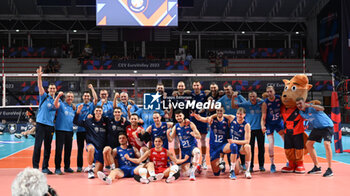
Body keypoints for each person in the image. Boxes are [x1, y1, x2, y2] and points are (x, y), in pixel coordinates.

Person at [296, 97, 334, 177]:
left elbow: (322, 108)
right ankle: (317, 167)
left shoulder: (311, 107)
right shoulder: (301, 112)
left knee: (327, 144)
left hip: (327, 126)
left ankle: (330, 169)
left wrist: (310, 105)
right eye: (297, 104)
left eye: (300, 103)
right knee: (308, 144)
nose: (299, 105)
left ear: (304, 103)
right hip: (317, 128)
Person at [191, 107, 233, 177]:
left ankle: (230, 166)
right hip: (214, 146)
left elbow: (233, 117)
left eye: (221, 111)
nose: (219, 112)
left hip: (224, 145)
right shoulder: (212, 120)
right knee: (216, 173)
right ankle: (220, 163)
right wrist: (196, 116)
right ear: (216, 111)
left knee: (233, 146)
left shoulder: (227, 120)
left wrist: (217, 115)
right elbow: (201, 119)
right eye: (218, 111)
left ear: (224, 111)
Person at [232, 91, 265, 172]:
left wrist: (262, 100)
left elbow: (266, 103)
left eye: (254, 96)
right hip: (249, 130)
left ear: (256, 96)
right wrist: (233, 97)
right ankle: (250, 166)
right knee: (250, 148)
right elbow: (234, 106)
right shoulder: (246, 104)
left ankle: (261, 165)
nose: (252, 98)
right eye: (251, 96)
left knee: (261, 148)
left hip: (260, 129)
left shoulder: (261, 103)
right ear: (248, 97)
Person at [33, 66, 57, 174]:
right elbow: (40, 86)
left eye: (53, 88)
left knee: (48, 147)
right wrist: (39, 76)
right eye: (50, 88)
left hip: (50, 126)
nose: (52, 90)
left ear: (55, 90)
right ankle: (35, 168)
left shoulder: (56, 100)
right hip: (41, 124)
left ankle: (45, 167)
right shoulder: (44, 97)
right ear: (48, 90)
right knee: (37, 146)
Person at [73, 105, 108, 179]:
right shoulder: (89, 121)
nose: (98, 112)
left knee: (97, 171)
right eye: (97, 111)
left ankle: (93, 166)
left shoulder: (106, 121)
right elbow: (75, 122)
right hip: (91, 144)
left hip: (101, 149)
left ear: (102, 112)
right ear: (94, 112)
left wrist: (123, 119)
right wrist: (78, 112)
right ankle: (90, 169)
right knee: (91, 149)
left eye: (100, 111)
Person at [169, 110, 201, 181]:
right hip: (184, 152)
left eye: (180, 116)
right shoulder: (176, 127)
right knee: (185, 173)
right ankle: (197, 166)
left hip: (192, 148)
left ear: (183, 116)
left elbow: (199, 136)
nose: (178, 117)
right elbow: (171, 139)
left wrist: (194, 134)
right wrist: (167, 134)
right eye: (177, 116)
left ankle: (192, 173)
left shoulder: (190, 124)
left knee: (197, 152)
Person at [261, 86, 284, 173]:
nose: (269, 93)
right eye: (268, 92)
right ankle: (272, 164)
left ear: (274, 92)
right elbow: (263, 115)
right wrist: (263, 125)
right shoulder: (265, 102)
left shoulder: (279, 99)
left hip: (278, 123)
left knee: (286, 140)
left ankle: (290, 161)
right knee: (271, 143)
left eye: (271, 91)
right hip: (269, 124)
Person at [75, 85, 98, 172]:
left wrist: (92, 88)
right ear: (82, 97)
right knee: (80, 149)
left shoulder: (92, 105)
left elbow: (95, 99)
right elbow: (76, 117)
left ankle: (93, 165)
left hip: (89, 131)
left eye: (88, 96)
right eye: (85, 96)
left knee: (92, 148)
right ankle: (79, 166)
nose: (86, 97)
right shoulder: (78, 106)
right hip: (80, 130)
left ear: (89, 97)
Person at [53, 91, 76, 175]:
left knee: (68, 150)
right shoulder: (61, 104)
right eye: (68, 96)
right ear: (65, 97)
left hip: (70, 131)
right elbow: (55, 104)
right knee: (59, 150)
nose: (70, 98)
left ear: (73, 98)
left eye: (71, 96)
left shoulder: (73, 108)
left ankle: (67, 167)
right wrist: (58, 96)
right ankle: (57, 168)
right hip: (60, 130)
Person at [227, 107, 252, 179]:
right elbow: (221, 114)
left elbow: (247, 141)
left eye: (241, 114)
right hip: (232, 146)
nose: (239, 116)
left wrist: (233, 141)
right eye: (238, 114)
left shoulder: (246, 125)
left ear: (244, 115)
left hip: (240, 147)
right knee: (237, 172)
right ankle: (232, 165)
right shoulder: (232, 118)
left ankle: (247, 171)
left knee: (248, 146)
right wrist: (211, 117)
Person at [189, 81, 209, 169]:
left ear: (200, 86)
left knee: (203, 140)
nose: (196, 86)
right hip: (193, 120)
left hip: (202, 120)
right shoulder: (190, 95)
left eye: (197, 85)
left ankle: (204, 161)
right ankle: (193, 161)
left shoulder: (205, 94)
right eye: (194, 85)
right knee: (193, 139)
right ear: (192, 86)